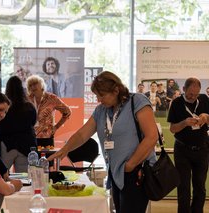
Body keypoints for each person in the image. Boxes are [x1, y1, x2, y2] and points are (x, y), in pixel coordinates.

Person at [48, 71, 158, 213]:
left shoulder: (137, 101)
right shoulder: (101, 111)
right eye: (97, 96)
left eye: (102, 95)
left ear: (116, 90)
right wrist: (64, 150)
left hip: (136, 171)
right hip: (116, 173)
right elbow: (82, 134)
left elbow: (151, 136)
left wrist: (131, 164)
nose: (99, 100)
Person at [167, 77, 209, 213]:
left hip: (202, 149)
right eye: (190, 94)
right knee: (183, 187)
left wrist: (206, 117)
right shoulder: (176, 103)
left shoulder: (204, 99)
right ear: (184, 89)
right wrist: (184, 123)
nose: (193, 97)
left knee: (200, 187)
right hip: (182, 149)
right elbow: (173, 129)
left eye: (196, 94)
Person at [26, 75, 71, 167]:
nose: (32, 87)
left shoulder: (52, 98)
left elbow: (67, 112)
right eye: (30, 85)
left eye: (35, 84)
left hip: (47, 137)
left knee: (46, 166)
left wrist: (56, 127)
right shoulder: (27, 99)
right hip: (30, 137)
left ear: (41, 85)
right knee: (32, 166)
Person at [0, 76, 37, 172]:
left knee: (2, 176)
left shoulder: (3, 107)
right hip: (26, 145)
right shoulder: (29, 106)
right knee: (25, 179)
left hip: (6, 145)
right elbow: (33, 122)